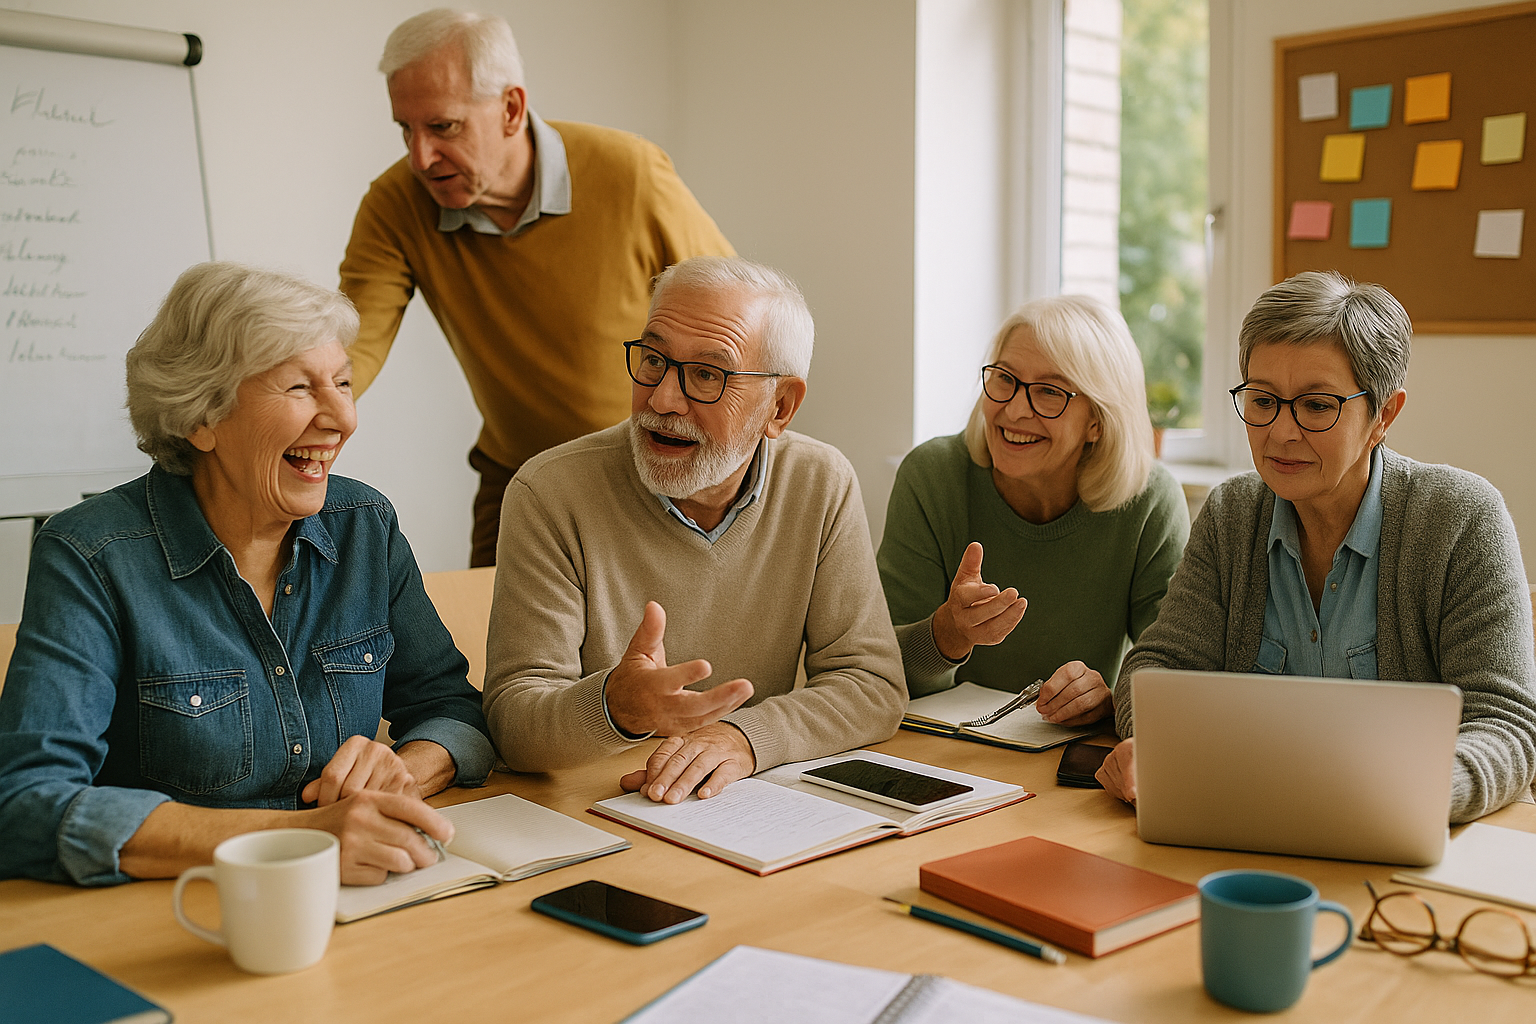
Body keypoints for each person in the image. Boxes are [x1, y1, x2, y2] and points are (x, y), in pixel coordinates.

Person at [0, 263, 495, 887]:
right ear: (200, 418)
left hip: (362, 896)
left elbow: (453, 710)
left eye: (342, 382)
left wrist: (405, 772)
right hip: (182, 916)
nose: (342, 417)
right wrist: (303, 840)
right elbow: (23, 804)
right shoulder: (91, 554)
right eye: (298, 388)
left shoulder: (363, 525)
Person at [1098, 271, 1536, 823]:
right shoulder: (1232, 513)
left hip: (1411, 839)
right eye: (1262, 401)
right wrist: (1160, 748)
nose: (1281, 433)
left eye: (1316, 406)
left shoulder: (1462, 518)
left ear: (1383, 416)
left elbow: (1507, 724)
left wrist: (1413, 791)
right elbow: (1157, 666)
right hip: (1245, 825)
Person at [482, 256, 906, 802]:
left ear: (780, 405)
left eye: (707, 374)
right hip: (596, 806)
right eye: (654, 359)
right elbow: (512, 721)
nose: (661, 399)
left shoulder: (820, 482)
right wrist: (615, 707)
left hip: (739, 800)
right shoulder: (550, 492)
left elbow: (871, 684)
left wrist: (744, 738)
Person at [340, 9, 735, 567]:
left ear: (510, 109)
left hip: (657, 467)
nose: (420, 157)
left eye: (443, 127)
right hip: (518, 475)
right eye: (406, 129)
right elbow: (352, 344)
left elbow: (739, 319)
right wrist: (293, 409)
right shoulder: (395, 204)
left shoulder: (630, 175)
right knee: (483, 648)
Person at [878, 296, 1188, 724]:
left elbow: (1177, 673)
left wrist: (1109, 700)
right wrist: (947, 633)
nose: (1015, 410)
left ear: (1097, 420)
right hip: (940, 750)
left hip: (1069, 759)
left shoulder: (1149, 500)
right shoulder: (933, 476)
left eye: (1049, 392)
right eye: (1005, 379)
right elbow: (872, 670)